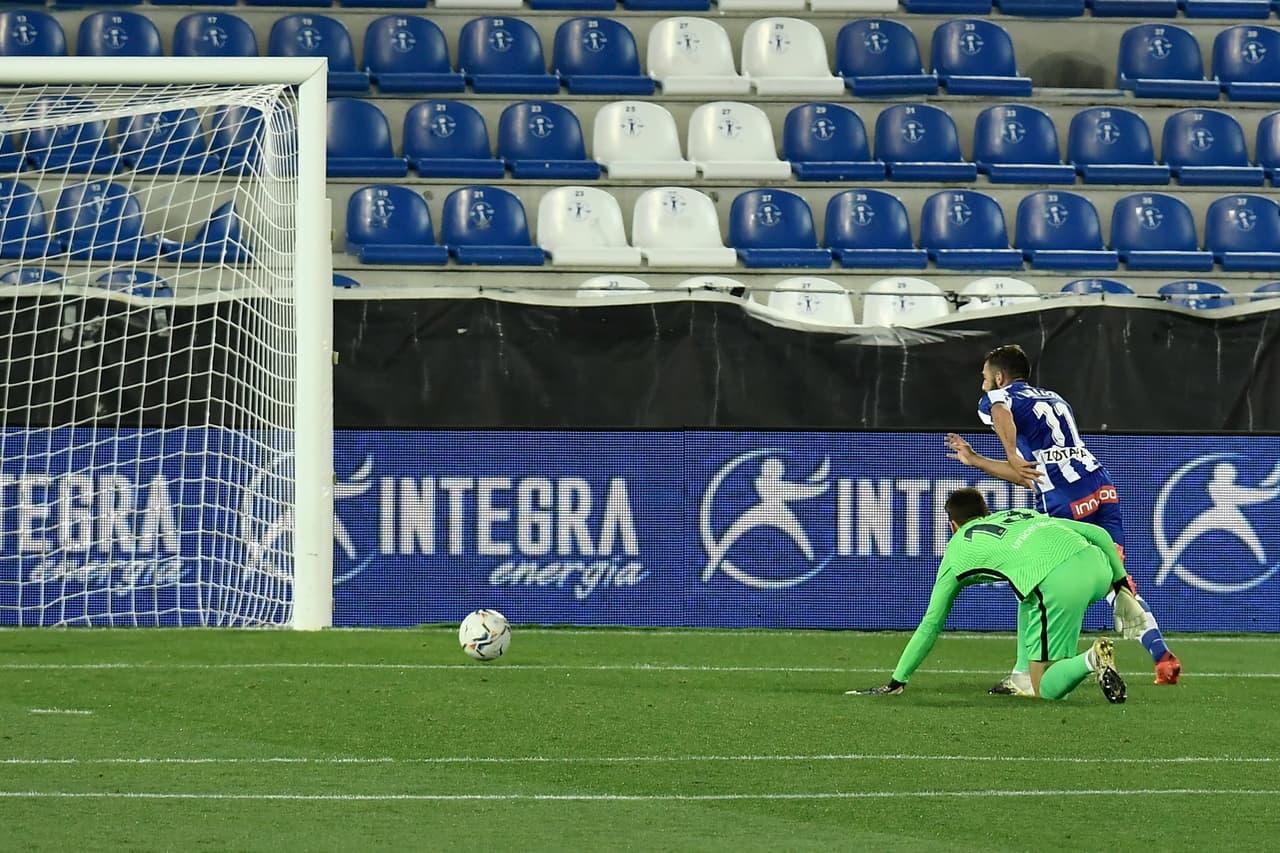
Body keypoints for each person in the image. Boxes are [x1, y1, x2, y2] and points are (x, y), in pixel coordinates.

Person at [944, 343, 1181, 693]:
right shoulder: (1056, 399)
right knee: (1118, 583)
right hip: (1101, 488)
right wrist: (976, 459)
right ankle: (1161, 656)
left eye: (984, 378)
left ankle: (1029, 675)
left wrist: (1008, 451)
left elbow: (1000, 410)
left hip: (1064, 500)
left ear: (999, 376)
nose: (982, 385)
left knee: (1033, 584)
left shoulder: (997, 397)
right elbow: (1029, 475)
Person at [846, 489, 1129, 703]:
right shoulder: (1020, 514)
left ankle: (1092, 660)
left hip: (1057, 584)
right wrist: (1122, 587)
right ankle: (1021, 679)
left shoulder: (956, 552)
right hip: (1098, 567)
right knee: (1026, 594)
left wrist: (898, 679)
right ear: (987, 511)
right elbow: (1098, 533)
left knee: (1045, 686)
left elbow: (931, 624)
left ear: (953, 525)